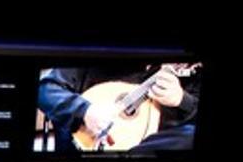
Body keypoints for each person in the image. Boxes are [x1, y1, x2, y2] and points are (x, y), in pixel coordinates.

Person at [37, 64, 199, 152]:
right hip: (78, 160)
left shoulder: (191, 79)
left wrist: (183, 100)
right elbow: (45, 90)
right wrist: (85, 111)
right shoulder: (96, 53)